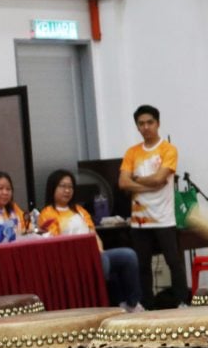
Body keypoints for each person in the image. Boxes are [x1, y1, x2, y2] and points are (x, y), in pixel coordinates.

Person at [38, 170, 144, 312]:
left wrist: (99, 251)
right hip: (71, 260)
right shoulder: (47, 213)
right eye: (62, 186)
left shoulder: (79, 210)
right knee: (104, 262)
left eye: (70, 187)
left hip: (93, 255)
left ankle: (132, 304)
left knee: (128, 255)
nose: (67, 190)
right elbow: (55, 242)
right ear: (52, 188)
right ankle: (110, 303)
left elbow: (94, 234)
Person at [118, 105, 189, 308]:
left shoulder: (168, 149)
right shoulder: (132, 152)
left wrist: (137, 181)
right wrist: (151, 182)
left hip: (164, 217)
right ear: (137, 127)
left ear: (157, 123)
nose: (146, 127)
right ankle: (146, 304)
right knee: (142, 266)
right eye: (141, 124)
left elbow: (161, 178)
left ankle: (182, 301)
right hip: (140, 219)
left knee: (173, 262)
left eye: (150, 122)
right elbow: (123, 183)